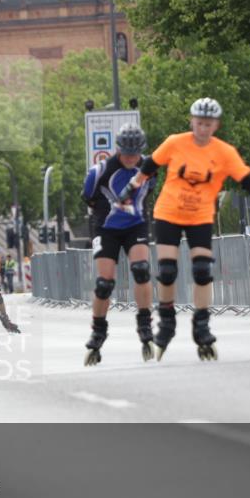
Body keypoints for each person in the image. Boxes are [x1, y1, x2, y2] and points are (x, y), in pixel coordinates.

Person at [118, 98, 250, 360]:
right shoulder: (175, 142)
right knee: (167, 270)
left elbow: (248, 181)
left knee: (202, 271)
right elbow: (150, 166)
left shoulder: (224, 152)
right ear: (191, 121)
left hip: (200, 216)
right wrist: (131, 187)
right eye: (199, 123)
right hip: (169, 213)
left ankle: (202, 324)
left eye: (208, 125)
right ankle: (167, 322)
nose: (203, 129)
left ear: (215, 125)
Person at [81, 123, 156, 365]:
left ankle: (145, 324)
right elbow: (88, 198)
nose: (131, 159)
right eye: (127, 154)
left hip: (136, 225)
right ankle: (98, 330)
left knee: (141, 270)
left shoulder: (149, 168)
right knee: (104, 283)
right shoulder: (99, 171)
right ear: (118, 149)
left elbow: (149, 191)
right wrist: (110, 211)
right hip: (106, 227)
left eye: (135, 154)